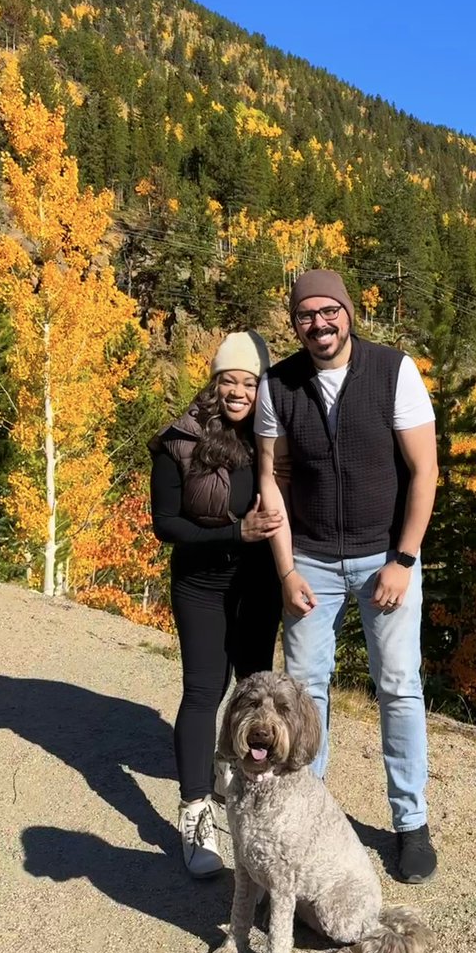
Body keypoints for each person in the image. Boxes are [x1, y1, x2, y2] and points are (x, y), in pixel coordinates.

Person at [255, 269, 439, 884]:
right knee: (306, 692)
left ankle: (410, 823)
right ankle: (307, 815)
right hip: (307, 558)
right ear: (295, 322)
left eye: (329, 310)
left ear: (349, 313)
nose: (319, 324)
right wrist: (284, 569)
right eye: (306, 314)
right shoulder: (276, 385)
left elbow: (424, 471)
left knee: (398, 685)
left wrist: (404, 559)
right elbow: (272, 480)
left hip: (383, 558)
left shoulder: (394, 371)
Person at [149, 330, 283, 878]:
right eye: (228, 378)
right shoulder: (180, 440)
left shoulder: (276, 435)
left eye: (248, 382)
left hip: (260, 585)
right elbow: (167, 525)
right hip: (200, 582)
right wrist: (236, 534)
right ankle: (196, 812)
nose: (237, 390)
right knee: (204, 690)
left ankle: (254, 796)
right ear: (214, 379)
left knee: (255, 687)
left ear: (262, 387)